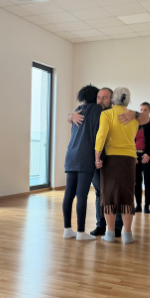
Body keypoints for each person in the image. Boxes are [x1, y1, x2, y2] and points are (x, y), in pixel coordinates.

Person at [68, 88, 143, 237]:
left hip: (110, 158)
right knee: (100, 193)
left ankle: (116, 227)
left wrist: (135, 114)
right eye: (98, 97)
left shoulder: (114, 114)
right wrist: (70, 116)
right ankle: (101, 225)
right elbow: (76, 120)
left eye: (104, 98)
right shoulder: (92, 111)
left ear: (112, 100)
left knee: (115, 193)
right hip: (94, 160)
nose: (100, 101)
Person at [95, 88, 138, 244]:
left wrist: (97, 156)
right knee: (127, 196)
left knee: (109, 197)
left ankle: (110, 234)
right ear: (128, 100)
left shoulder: (107, 114)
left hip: (111, 159)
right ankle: (128, 235)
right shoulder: (133, 116)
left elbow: (101, 135)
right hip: (129, 159)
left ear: (113, 99)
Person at [63, 85, 102, 241]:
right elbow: (98, 135)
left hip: (71, 155)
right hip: (85, 156)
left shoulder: (77, 110)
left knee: (69, 194)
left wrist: (69, 116)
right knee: (81, 196)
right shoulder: (98, 110)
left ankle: (67, 230)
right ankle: (80, 233)